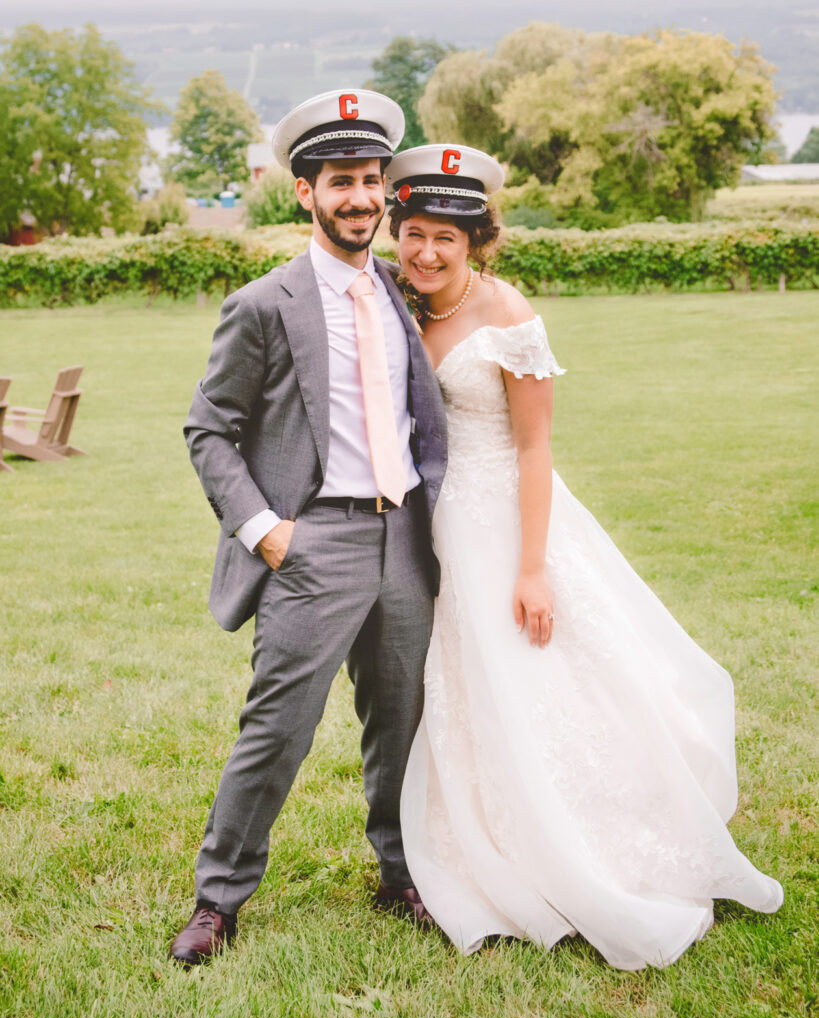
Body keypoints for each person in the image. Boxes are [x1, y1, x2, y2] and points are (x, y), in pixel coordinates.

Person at [386, 144, 784, 970]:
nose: (425, 251)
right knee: (470, 685)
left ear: (476, 241)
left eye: (444, 238)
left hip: (509, 524)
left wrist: (532, 568)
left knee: (543, 677)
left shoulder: (506, 315)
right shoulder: (401, 303)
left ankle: (592, 849)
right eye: (413, 232)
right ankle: (484, 841)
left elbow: (535, 449)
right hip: (443, 527)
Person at [171, 91, 447, 966]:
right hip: (311, 542)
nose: (359, 198)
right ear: (305, 192)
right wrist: (264, 531)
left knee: (401, 723)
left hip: (405, 540)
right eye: (340, 182)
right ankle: (218, 899)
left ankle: (402, 875)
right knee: (277, 727)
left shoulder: (402, 292)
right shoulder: (264, 303)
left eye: (370, 181)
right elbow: (208, 428)